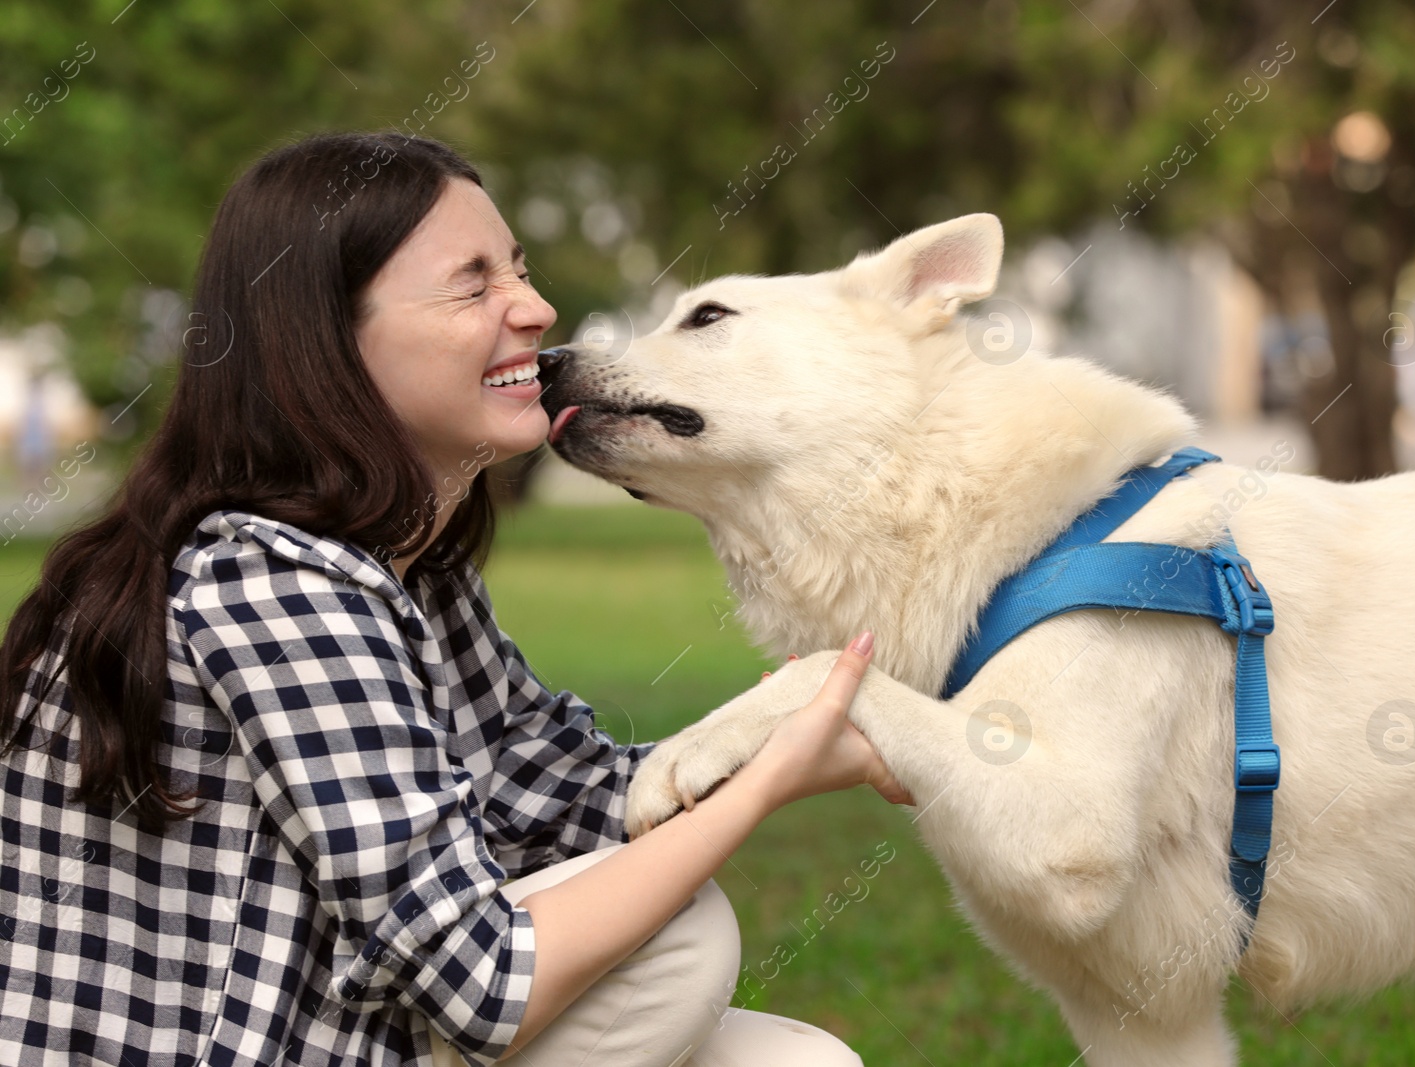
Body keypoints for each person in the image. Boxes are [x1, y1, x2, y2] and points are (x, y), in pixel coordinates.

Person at [0, 131, 910, 1067]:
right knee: (682, 939)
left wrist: (794, 717)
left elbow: (563, 793)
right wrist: (768, 779)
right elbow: (484, 989)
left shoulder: (409, 569)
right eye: (473, 285)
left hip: (336, 1029)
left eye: (517, 268)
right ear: (327, 338)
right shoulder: (272, 583)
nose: (537, 308)